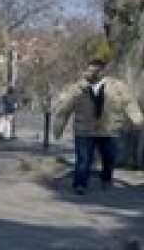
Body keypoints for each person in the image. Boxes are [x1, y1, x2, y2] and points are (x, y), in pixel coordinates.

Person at [52, 58, 143, 195]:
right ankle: (80, 184)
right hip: (84, 130)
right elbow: (65, 108)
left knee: (109, 158)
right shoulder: (77, 88)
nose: (92, 72)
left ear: (103, 71)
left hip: (108, 129)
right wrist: (58, 128)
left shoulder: (117, 87)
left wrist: (137, 120)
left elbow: (129, 103)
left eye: (96, 69)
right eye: (89, 69)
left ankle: (106, 178)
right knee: (83, 159)